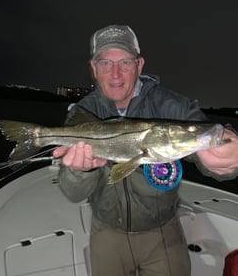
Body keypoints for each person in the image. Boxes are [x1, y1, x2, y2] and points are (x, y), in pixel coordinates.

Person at [54, 25, 238, 276]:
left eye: (125, 62)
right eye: (106, 63)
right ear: (93, 69)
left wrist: (229, 149)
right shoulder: (82, 114)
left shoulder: (173, 106)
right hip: (106, 231)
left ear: (139, 65)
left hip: (163, 232)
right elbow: (73, 192)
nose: (115, 73)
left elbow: (207, 144)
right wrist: (79, 171)